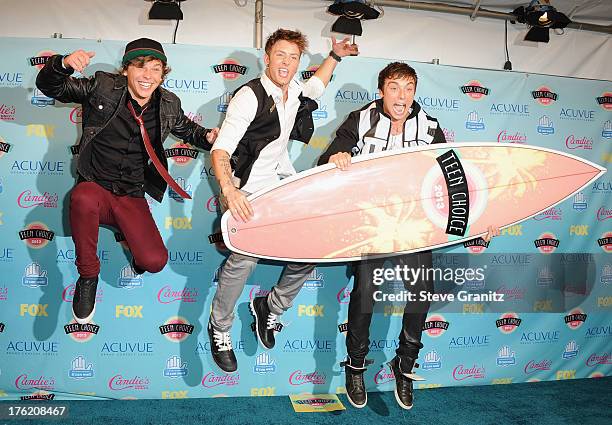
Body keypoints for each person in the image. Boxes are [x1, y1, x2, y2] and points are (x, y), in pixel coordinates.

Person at [318, 62, 498, 410]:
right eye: (395, 87)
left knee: (422, 291)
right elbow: (329, 159)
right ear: (382, 90)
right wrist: (336, 157)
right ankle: (355, 366)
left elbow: (453, 179)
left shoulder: (429, 125)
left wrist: (479, 221)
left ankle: (404, 365)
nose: (402, 96)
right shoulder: (360, 119)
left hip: (414, 224)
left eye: (408, 88)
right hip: (374, 222)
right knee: (366, 291)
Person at [36, 38, 219, 325]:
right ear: (125, 70)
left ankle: (130, 238)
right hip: (95, 185)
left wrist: (208, 137)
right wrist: (62, 64)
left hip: (131, 196)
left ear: (163, 74)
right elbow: (52, 87)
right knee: (82, 198)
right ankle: (87, 276)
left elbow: (188, 129)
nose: (148, 76)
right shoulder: (103, 86)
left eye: (156, 69)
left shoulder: (169, 103)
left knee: (154, 262)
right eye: (140, 67)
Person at [207, 28, 358, 373]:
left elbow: (316, 85)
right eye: (280, 55)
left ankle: (271, 307)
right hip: (244, 189)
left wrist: (335, 56)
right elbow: (221, 149)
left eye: (293, 57)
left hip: (279, 187)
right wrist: (229, 191)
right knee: (243, 260)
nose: (286, 63)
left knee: (310, 248)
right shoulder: (249, 96)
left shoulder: (294, 92)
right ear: (267, 57)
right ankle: (220, 328)